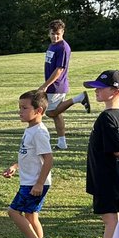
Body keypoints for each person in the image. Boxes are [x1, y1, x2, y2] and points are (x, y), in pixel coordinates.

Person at [82, 69, 119, 238]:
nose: (96, 92)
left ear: (115, 91)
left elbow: (118, 150)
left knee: (110, 219)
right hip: (112, 175)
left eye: (100, 89)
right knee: (112, 217)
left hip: (106, 176)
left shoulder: (107, 118)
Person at [1, 90, 53, 238]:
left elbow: (48, 159)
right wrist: (15, 166)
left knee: (13, 211)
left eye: (24, 108)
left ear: (38, 111)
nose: (20, 111)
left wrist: (38, 184)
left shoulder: (39, 132)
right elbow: (30, 155)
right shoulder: (31, 129)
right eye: (19, 107)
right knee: (31, 216)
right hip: (29, 181)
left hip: (34, 183)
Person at [41, 19, 72, 150]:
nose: (55, 36)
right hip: (53, 85)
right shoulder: (51, 46)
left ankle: (78, 99)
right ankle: (62, 142)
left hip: (57, 85)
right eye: (53, 34)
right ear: (49, 33)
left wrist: (45, 85)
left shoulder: (63, 47)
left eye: (58, 33)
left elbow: (59, 69)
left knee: (51, 112)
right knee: (56, 114)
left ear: (63, 32)